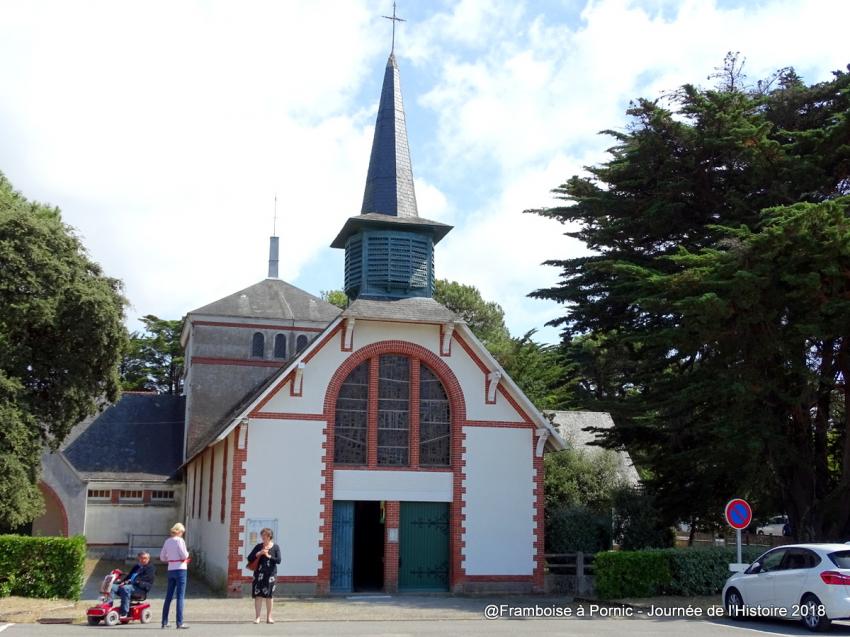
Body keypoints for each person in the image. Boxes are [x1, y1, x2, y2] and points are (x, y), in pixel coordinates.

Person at [246, 528, 281, 624]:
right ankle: (257, 617)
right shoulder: (258, 546)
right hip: (259, 574)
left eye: (264, 536)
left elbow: (279, 560)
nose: (263, 538)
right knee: (258, 595)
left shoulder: (276, 547)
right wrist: (259, 553)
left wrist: (269, 556)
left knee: (269, 596)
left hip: (271, 575)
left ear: (269, 536)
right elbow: (249, 558)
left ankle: (269, 617)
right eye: (262, 536)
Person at [159, 522, 190, 629]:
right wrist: (186, 555)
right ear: (180, 531)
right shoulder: (180, 541)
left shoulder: (167, 541)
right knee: (180, 597)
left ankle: (164, 621)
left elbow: (162, 557)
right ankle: (179, 622)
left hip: (171, 568)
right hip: (181, 569)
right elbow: (184, 554)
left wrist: (171, 559)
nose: (182, 534)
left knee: (169, 596)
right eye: (182, 532)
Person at [107, 552, 155, 617]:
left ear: (148, 559)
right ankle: (108, 606)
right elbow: (129, 576)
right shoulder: (136, 567)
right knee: (111, 586)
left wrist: (133, 581)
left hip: (140, 589)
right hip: (130, 586)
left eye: (145, 558)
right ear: (139, 558)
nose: (143, 560)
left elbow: (146, 578)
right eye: (141, 558)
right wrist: (121, 582)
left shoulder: (151, 568)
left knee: (125, 588)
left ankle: (124, 612)